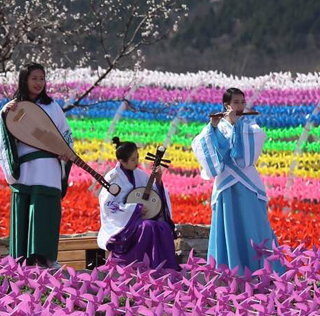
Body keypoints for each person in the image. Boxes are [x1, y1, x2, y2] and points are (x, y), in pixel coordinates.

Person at [191, 87, 284, 274]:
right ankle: (231, 271)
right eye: (236, 103)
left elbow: (246, 157)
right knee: (229, 228)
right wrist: (213, 128)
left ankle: (265, 270)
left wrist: (237, 125)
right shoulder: (215, 128)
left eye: (242, 102)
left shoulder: (250, 128)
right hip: (226, 186)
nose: (240, 106)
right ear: (226, 105)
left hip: (248, 184)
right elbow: (206, 147)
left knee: (255, 224)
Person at [0, 63, 73, 269]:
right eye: (34, 78)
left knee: (46, 210)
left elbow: (66, 134)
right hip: (26, 169)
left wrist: (65, 150)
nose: (38, 83)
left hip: (49, 169)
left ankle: (46, 258)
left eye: (41, 78)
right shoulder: (12, 107)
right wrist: (4, 117)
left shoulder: (52, 107)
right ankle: (22, 260)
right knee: (24, 209)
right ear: (24, 80)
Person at [97, 138, 180, 271]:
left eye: (137, 158)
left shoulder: (140, 175)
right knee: (148, 226)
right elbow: (108, 205)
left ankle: (163, 268)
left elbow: (154, 197)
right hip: (123, 223)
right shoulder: (113, 178)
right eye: (133, 159)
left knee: (163, 227)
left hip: (140, 219)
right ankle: (138, 266)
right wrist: (135, 208)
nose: (137, 162)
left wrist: (158, 180)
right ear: (121, 161)